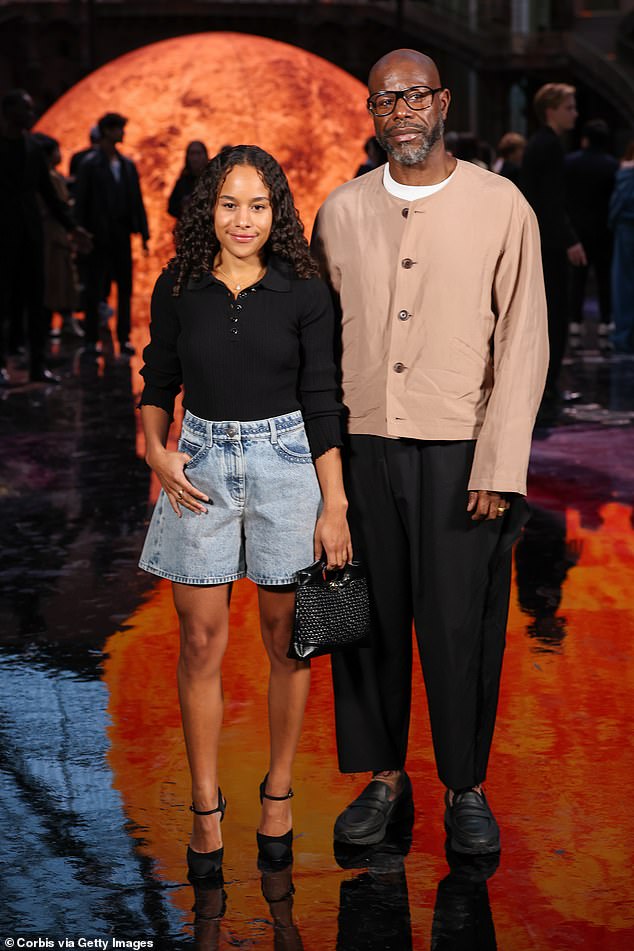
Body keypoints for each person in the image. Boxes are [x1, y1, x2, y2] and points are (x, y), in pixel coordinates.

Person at [312, 49, 548, 856]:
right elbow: (320, 350)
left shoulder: (501, 204)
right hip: (364, 447)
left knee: (460, 626)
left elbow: (524, 340)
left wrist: (499, 461)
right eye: (384, 101)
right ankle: (381, 776)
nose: (401, 111)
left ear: (442, 102)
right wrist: (327, 476)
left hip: (462, 454)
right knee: (364, 621)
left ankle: (465, 785)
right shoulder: (339, 212)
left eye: (414, 96)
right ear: (372, 116)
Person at [138, 145, 351, 877]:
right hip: (197, 465)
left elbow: (323, 398)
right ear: (209, 209)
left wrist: (336, 505)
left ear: (277, 211)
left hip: (288, 464)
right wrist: (156, 450)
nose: (243, 219)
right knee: (199, 643)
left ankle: (279, 790)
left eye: (259, 205)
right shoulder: (180, 285)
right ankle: (205, 805)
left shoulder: (305, 291)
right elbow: (157, 376)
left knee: (287, 639)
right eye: (229, 203)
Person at [0, 89, 90, 385]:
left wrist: (72, 227)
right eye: (24, 109)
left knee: (36, 300)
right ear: (9, 112)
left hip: (30, 233)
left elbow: (49, 195)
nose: (30, 114)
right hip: (6, 232)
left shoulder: (33, 148)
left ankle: (38, 366)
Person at [522, 83, 585, 401]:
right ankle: (548, 383)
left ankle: (547, 382)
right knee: (554, 313)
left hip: (543, 240)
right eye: (569, 107)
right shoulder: (548, 145)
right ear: (552, 110)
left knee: (550, 312)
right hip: (549, 244)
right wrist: (569, 239)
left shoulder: (541, 143)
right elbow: (550, 200)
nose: (574, 113)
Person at [74, 111, 149, 356]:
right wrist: (81, 231)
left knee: (124, 287)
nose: (122, 133)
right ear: (107, 131)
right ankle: (91, 339)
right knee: (95, 288)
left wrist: (144, 232)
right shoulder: (90, 165)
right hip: (98, 236)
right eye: (118, 128)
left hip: (121, 234)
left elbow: (136, 200)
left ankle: (123, 337)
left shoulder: (126, 165)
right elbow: (82, 200)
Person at [565, 119, 618, 345]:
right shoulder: (612, 165)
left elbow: (564, 196)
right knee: (605, 276)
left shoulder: (570, 163)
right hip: (604, 228)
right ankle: (606, 321)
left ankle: (575, 321)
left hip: (578, 228)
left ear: (584, 139)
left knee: (577, 276)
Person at [32, 132, 83, 339]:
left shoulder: (51, 176)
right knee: (56, 283)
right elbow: (57, 206)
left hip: (55, 236)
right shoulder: (50, 178)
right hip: (54, 237)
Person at [609, 142, 634, 353]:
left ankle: (623, 336)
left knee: (624, 284)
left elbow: (618, 203)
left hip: (626, 230)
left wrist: (612, 222)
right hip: (626, 228)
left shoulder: (626, 172)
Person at [167, 140, 209, 218]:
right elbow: (171, 208)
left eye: (198, 153)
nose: (195, 158)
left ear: (205, 155)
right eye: (192, 154)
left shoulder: (212, 179)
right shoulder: (182, 182)